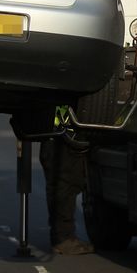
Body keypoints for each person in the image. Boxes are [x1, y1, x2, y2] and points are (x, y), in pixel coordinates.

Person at [39, 106, 95, 255]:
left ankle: (62, 236)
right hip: (62, 137)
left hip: (58, 134)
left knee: (63, 184)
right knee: (65, 185)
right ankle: (63, 238)